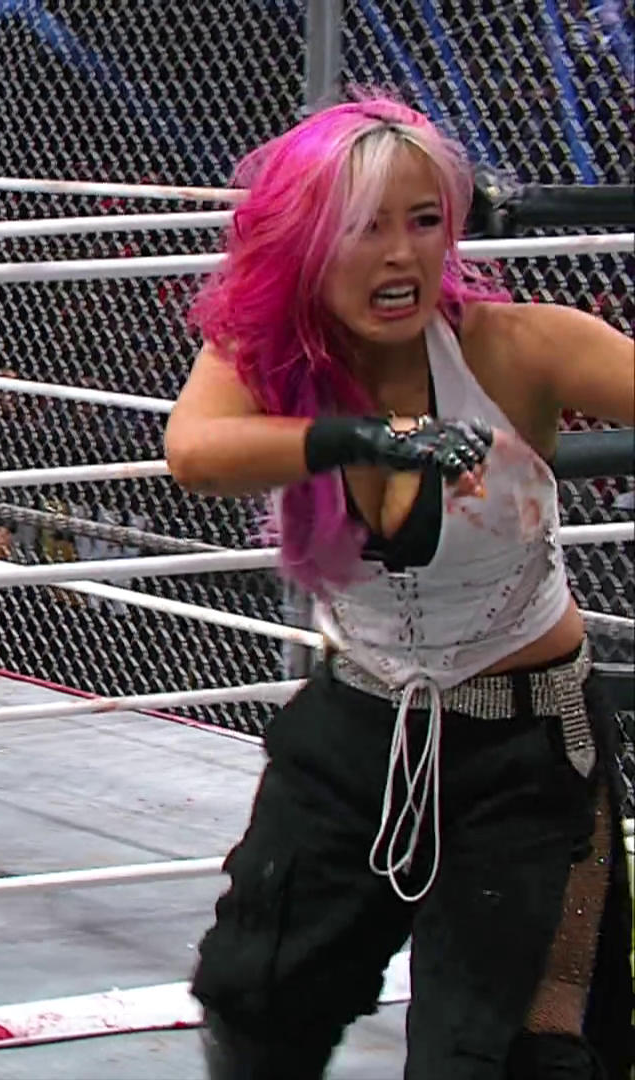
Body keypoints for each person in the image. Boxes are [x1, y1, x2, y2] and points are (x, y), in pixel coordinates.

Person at [163, 95, 633, 1078]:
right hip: (361, 719)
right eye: (365, 226)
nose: (401, 255)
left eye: (424, 221)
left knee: (515, 1055)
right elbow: (195, 453)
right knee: (256, 998)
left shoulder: (516, 347)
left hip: (526, 742)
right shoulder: (269, 358)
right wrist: (366, 437)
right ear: (304, 243)